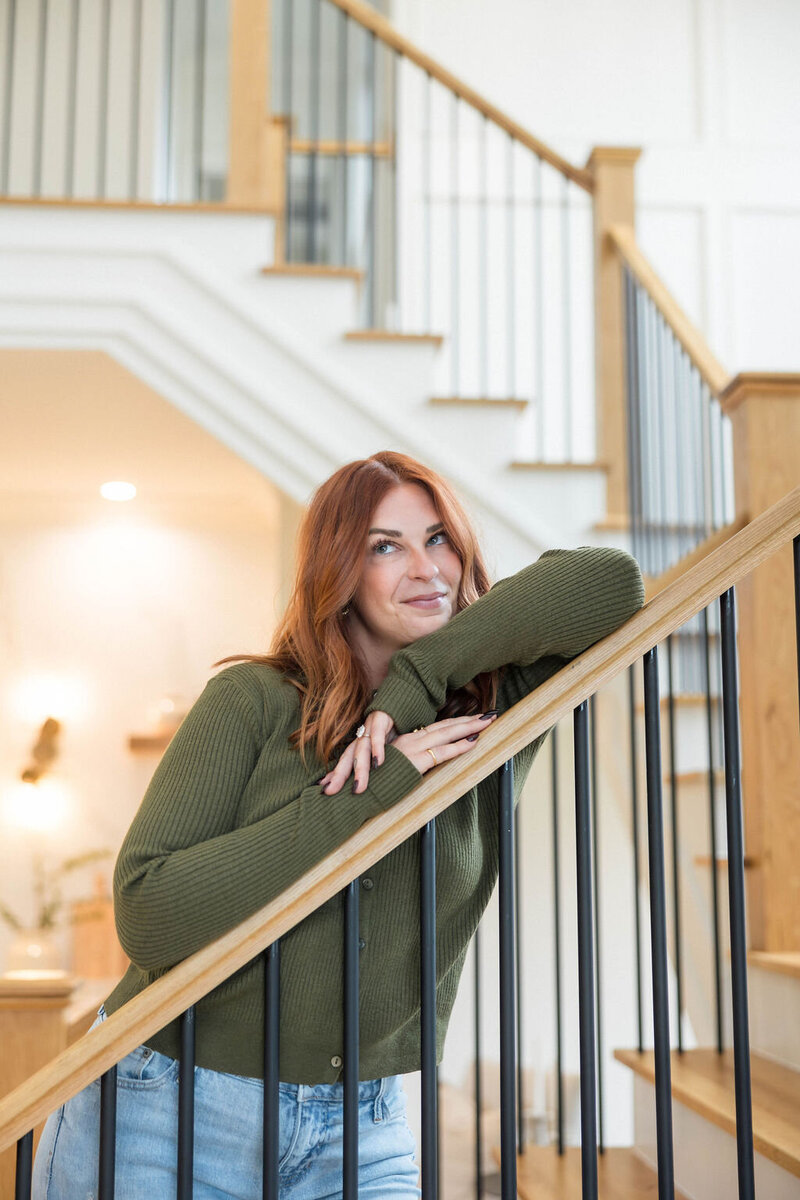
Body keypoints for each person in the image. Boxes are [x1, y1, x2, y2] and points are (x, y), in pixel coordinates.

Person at [32, 451, 644, 1199]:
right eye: (384, 546)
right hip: (167, 1101)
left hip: (361, 1123)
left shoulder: (488, 712)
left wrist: (422, 678)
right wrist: (373, 793)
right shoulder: (252, 700)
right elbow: (148, 911)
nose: (426, 569)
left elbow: (613, 582)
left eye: (439, 539)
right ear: (339, 575)